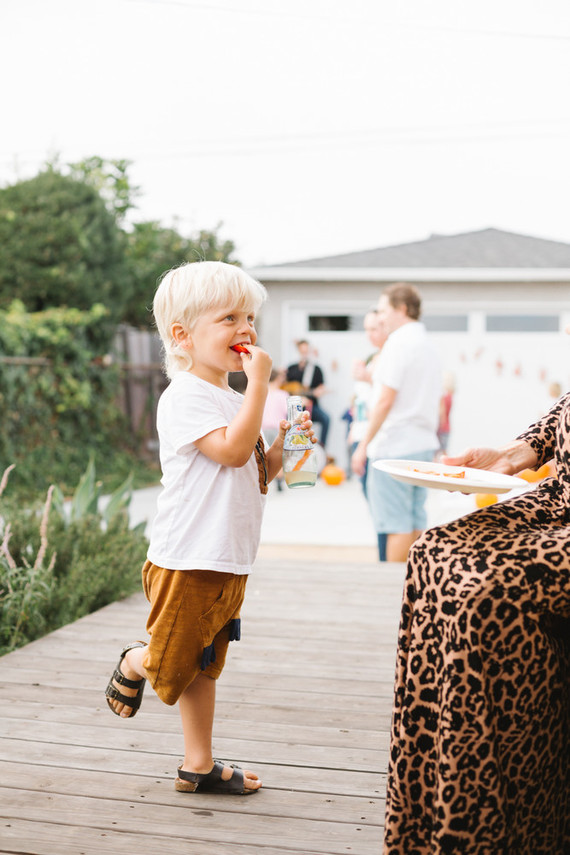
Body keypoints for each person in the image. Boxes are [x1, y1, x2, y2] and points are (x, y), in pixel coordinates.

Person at [104, 261, 315, 796]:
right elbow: (229, 449)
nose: (246, 329)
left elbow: (253, 473)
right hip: (188, 557)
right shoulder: (186, 395)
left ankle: (196, 765)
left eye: (250, 317)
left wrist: (289, 451)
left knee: (203, 665)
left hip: (228, 559)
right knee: (172, 665)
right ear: (183, 336)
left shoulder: (233, 400)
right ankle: (136, 658)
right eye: (229, 318)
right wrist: (263, 383)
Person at [384, 392, 570, 854]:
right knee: (431, 552)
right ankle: (425, 819)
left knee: (480, 593)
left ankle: (486, 826)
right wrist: (509, 456)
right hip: (559, 501)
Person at [351, 283, 441, 563]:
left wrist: (363, 445)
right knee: (415, 520)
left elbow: (385, 400)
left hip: (394, 445)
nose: (380, 317)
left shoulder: (397, 343)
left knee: (395, 524)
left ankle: (392, 592)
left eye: (384, 310)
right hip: (423, 443)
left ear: (402, 309)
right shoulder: (427, 344)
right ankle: (416, 590)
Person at [286, 339, 331, 449]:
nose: (305, 353)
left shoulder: (316, 369)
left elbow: (321, 388)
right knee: (286, 420)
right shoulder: (291, 368)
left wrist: (319, 392)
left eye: (307, 351)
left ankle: (322, 448)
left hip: (312, 406)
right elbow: (285, 388)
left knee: (326, 419)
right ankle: (288, 445)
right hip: (296, 408)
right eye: (302, 351)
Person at [262, 368, 289, 489]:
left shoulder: (262, 392)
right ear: (278, 379)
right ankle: (279, 478)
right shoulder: (282, 394)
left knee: (265, 454)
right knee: (279, 454)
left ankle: (265, 478)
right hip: (278, 429)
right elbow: (287, 411)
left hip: (262, 428)